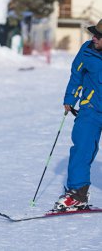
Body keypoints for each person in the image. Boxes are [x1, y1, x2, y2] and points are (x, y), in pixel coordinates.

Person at [54, 19, 102, 212]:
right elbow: (77, 74)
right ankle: (77, 194)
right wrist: (70, 98)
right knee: (82, 147)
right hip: (90, 108)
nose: (93, 38)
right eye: (94, 34)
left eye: (98, 36)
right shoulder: (87, 49)